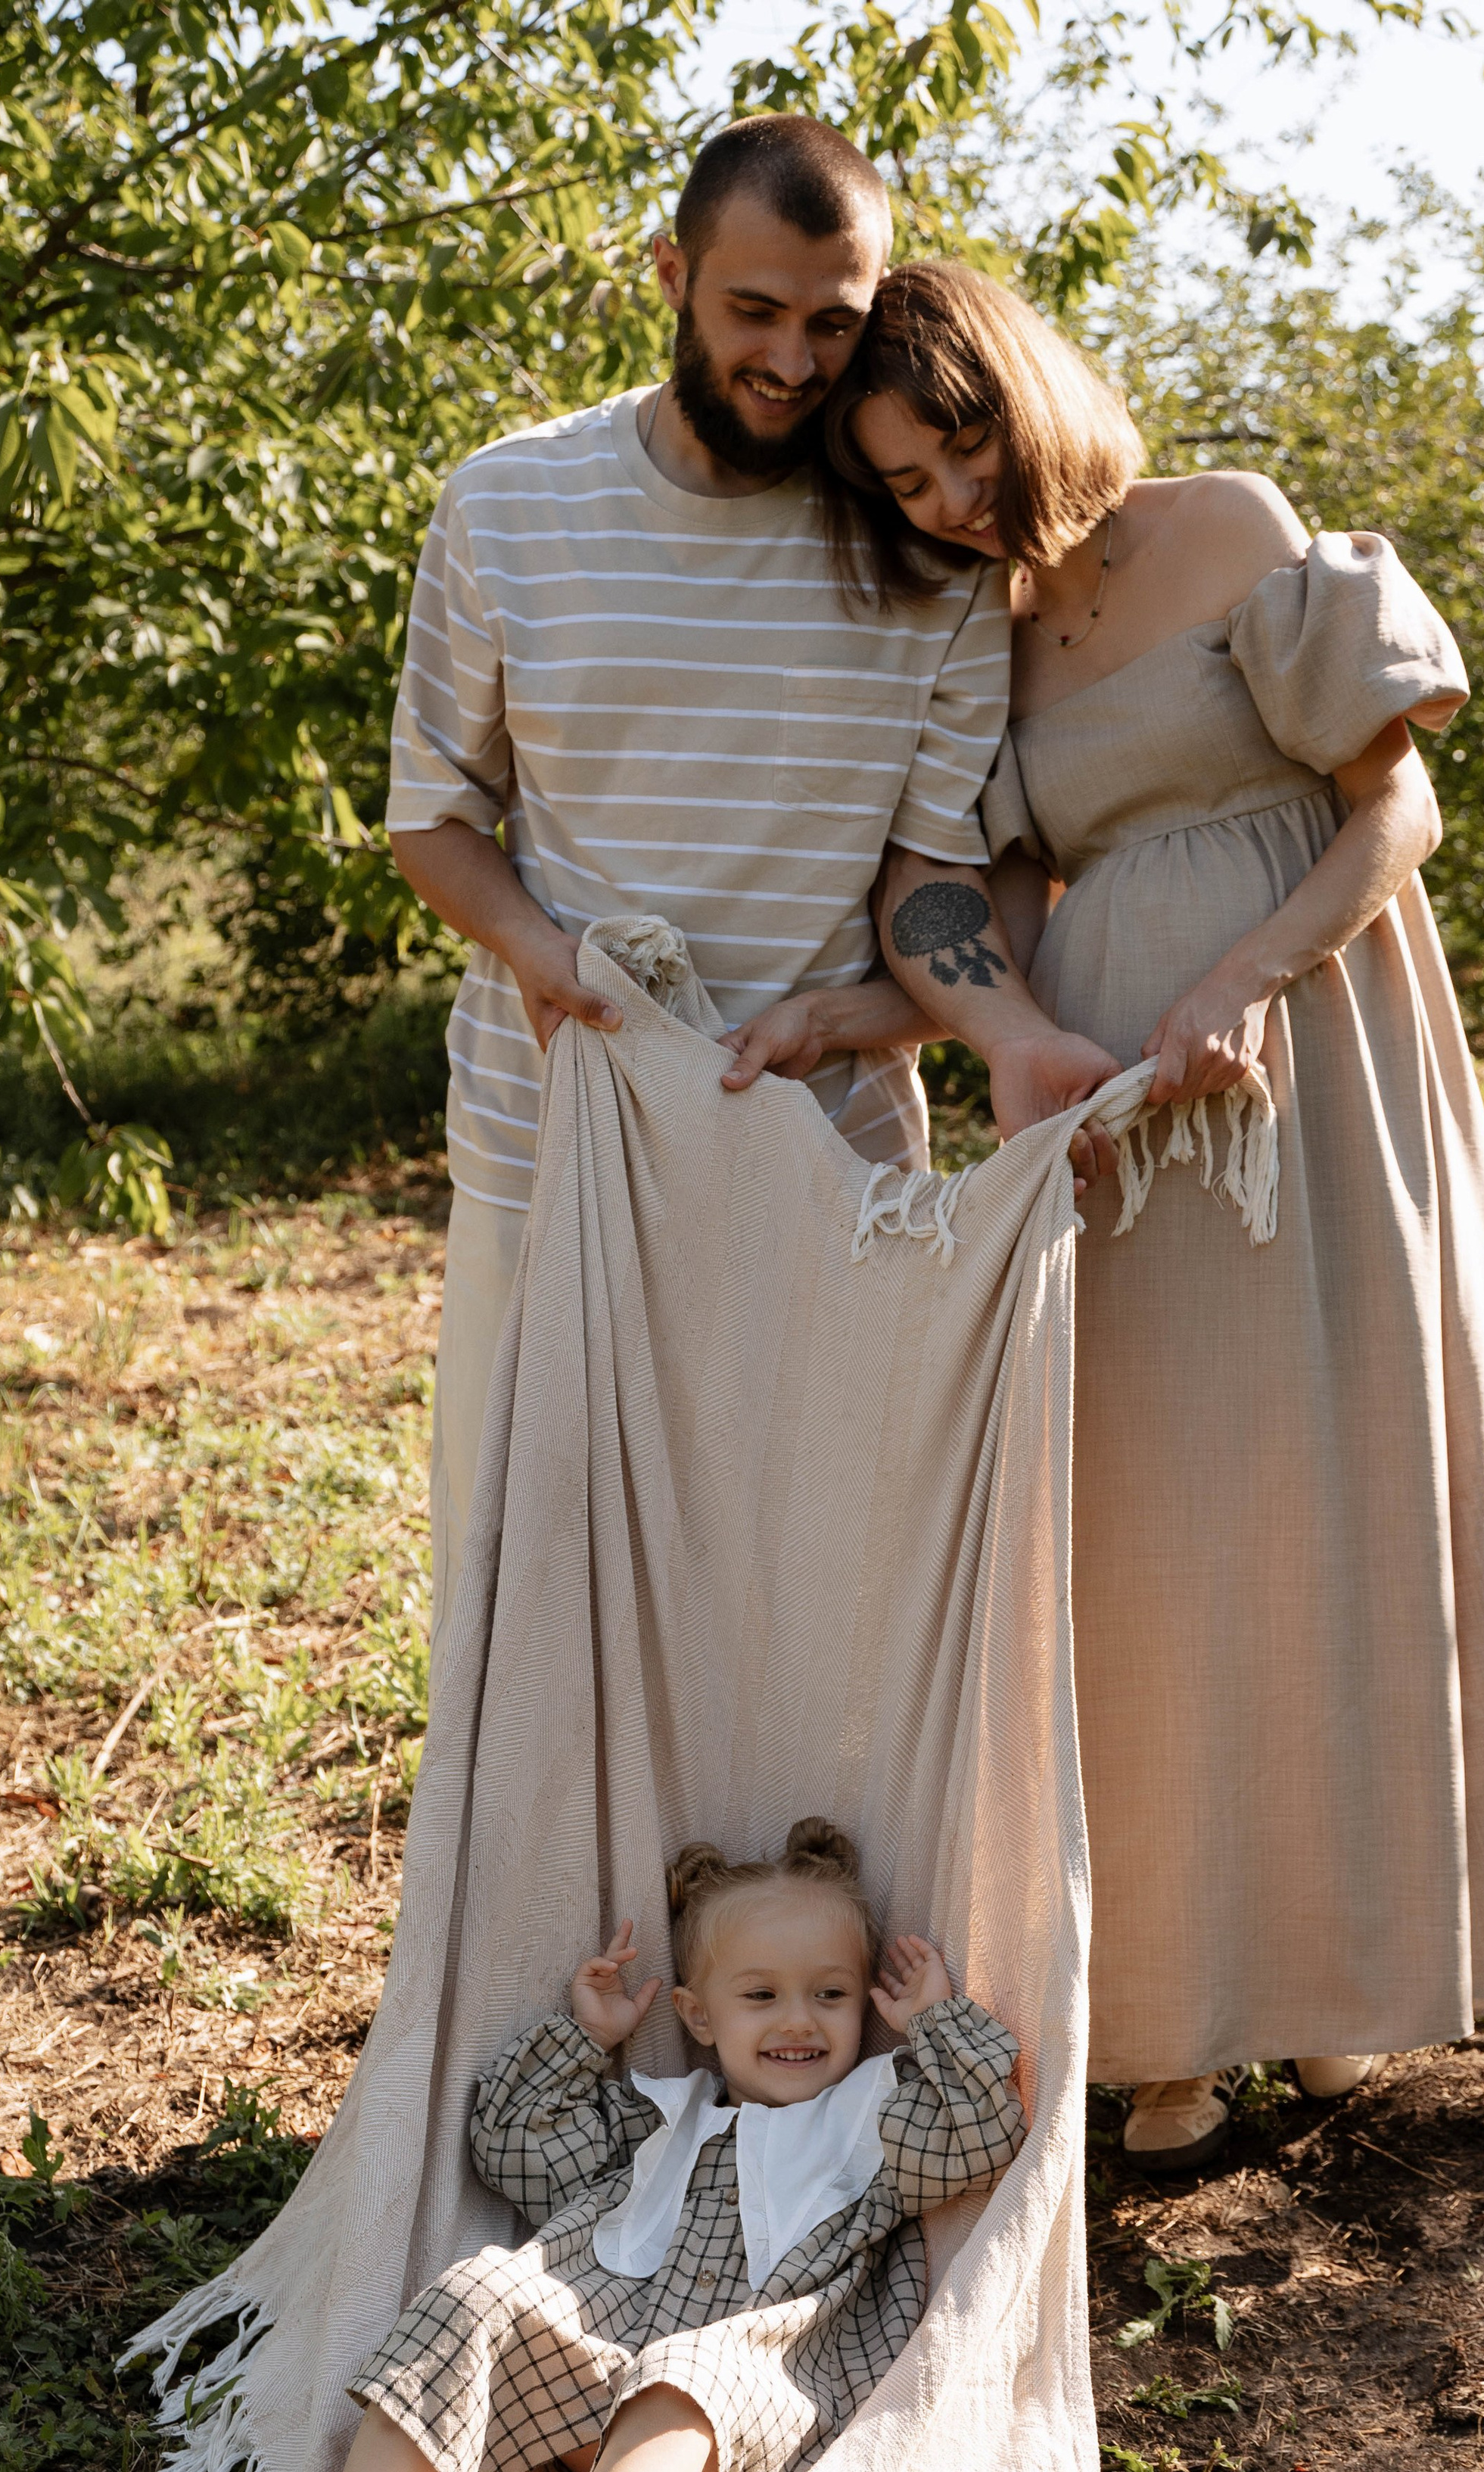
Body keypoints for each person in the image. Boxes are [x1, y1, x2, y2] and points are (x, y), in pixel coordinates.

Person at [826, 263, 1484, 2171]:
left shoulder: (1225, 526)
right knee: (1151, 1535)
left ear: (1020, 390)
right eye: (900, 482)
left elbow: (1388, 809)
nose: (942, 502)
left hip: (1314, 1055)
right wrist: (1013, 1044)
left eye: (954, 448)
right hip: (1118, 1108)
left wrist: (1245, 971)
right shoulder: (974, 635)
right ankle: (1170, 2014)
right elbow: (970, 897)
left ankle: (1334, 1976)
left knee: (1337, 1489)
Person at [384, 114, 1110, 1642]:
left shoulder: (923, 546)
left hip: (826, 1157)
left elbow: (930, 877)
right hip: (553, 1141)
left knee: (813, 1605)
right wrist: (544, 953)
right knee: (535, 1594)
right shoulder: (508, 506)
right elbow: (433, 819)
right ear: (671, 274)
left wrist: (997, 1033)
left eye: (830, 322)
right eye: (752, 311)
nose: (792, 358)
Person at [216, 1820, 1025, 2472]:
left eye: (832, 1993)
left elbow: (980, 2135)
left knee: (688, 2377)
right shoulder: (658, 2113)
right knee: (478, 2292)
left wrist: (937, 2024)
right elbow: (514, 2147)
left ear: (869, 2006)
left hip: (753, 2403)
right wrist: (585, 2038)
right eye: (760, 1995)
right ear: (695, 2012)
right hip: (588, 2397)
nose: (798, 2019)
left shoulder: (869, 2116)